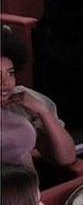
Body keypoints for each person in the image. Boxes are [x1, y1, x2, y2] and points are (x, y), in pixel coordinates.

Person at [1, 31, 78, 170]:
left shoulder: (23, 100)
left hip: (27, 187)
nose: (5, 82)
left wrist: (43, 112)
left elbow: (66, 158)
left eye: (10, 73)